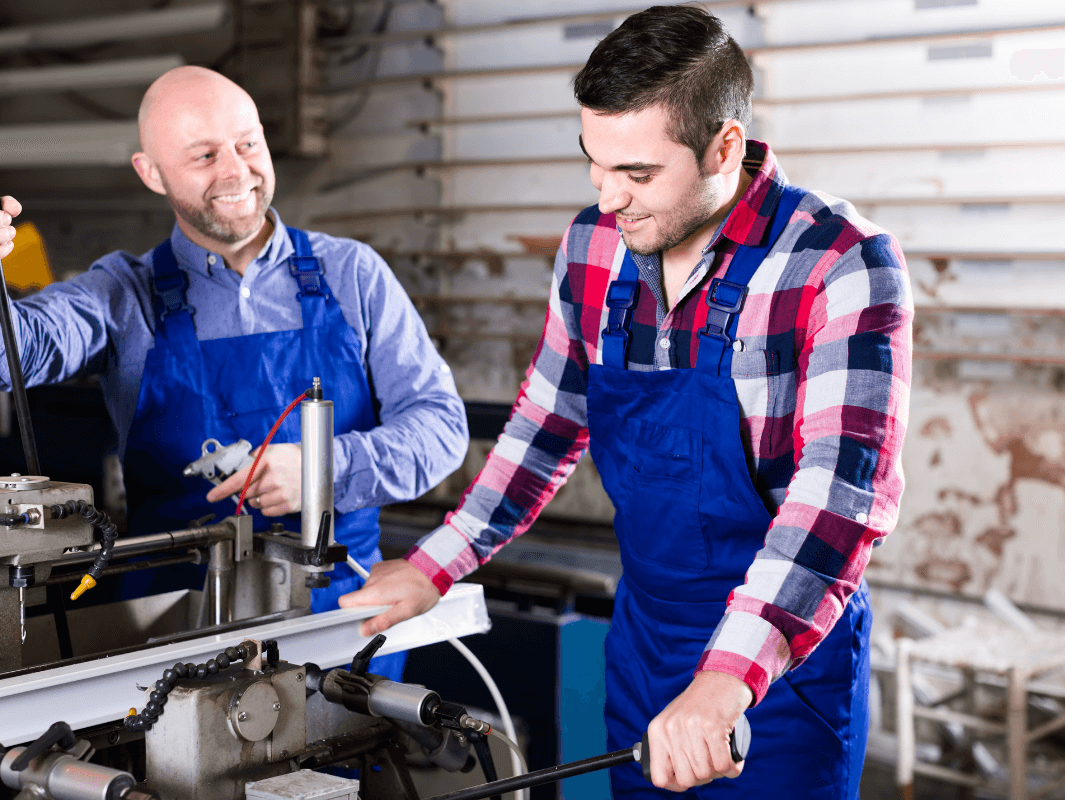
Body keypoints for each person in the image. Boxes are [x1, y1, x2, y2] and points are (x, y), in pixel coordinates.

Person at [340, 6, 912, 797]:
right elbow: (546, 425)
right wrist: (440, 564)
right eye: (594, 165)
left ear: (725, 148)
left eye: (638, 175)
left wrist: (725, 683)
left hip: (778, 676)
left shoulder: (839, 263)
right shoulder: (592, 247)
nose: (609, 199)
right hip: (643, 649)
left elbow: (837, 500)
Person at [0, 66, 469, 680]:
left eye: (248, 144)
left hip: (343, 618)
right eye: (204, 155)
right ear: (150, 172)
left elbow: (441, 428)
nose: (236, 172)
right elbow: (7, 358)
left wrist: (325, 471)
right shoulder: (123, 293)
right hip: (179, 622)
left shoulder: (354, 276)